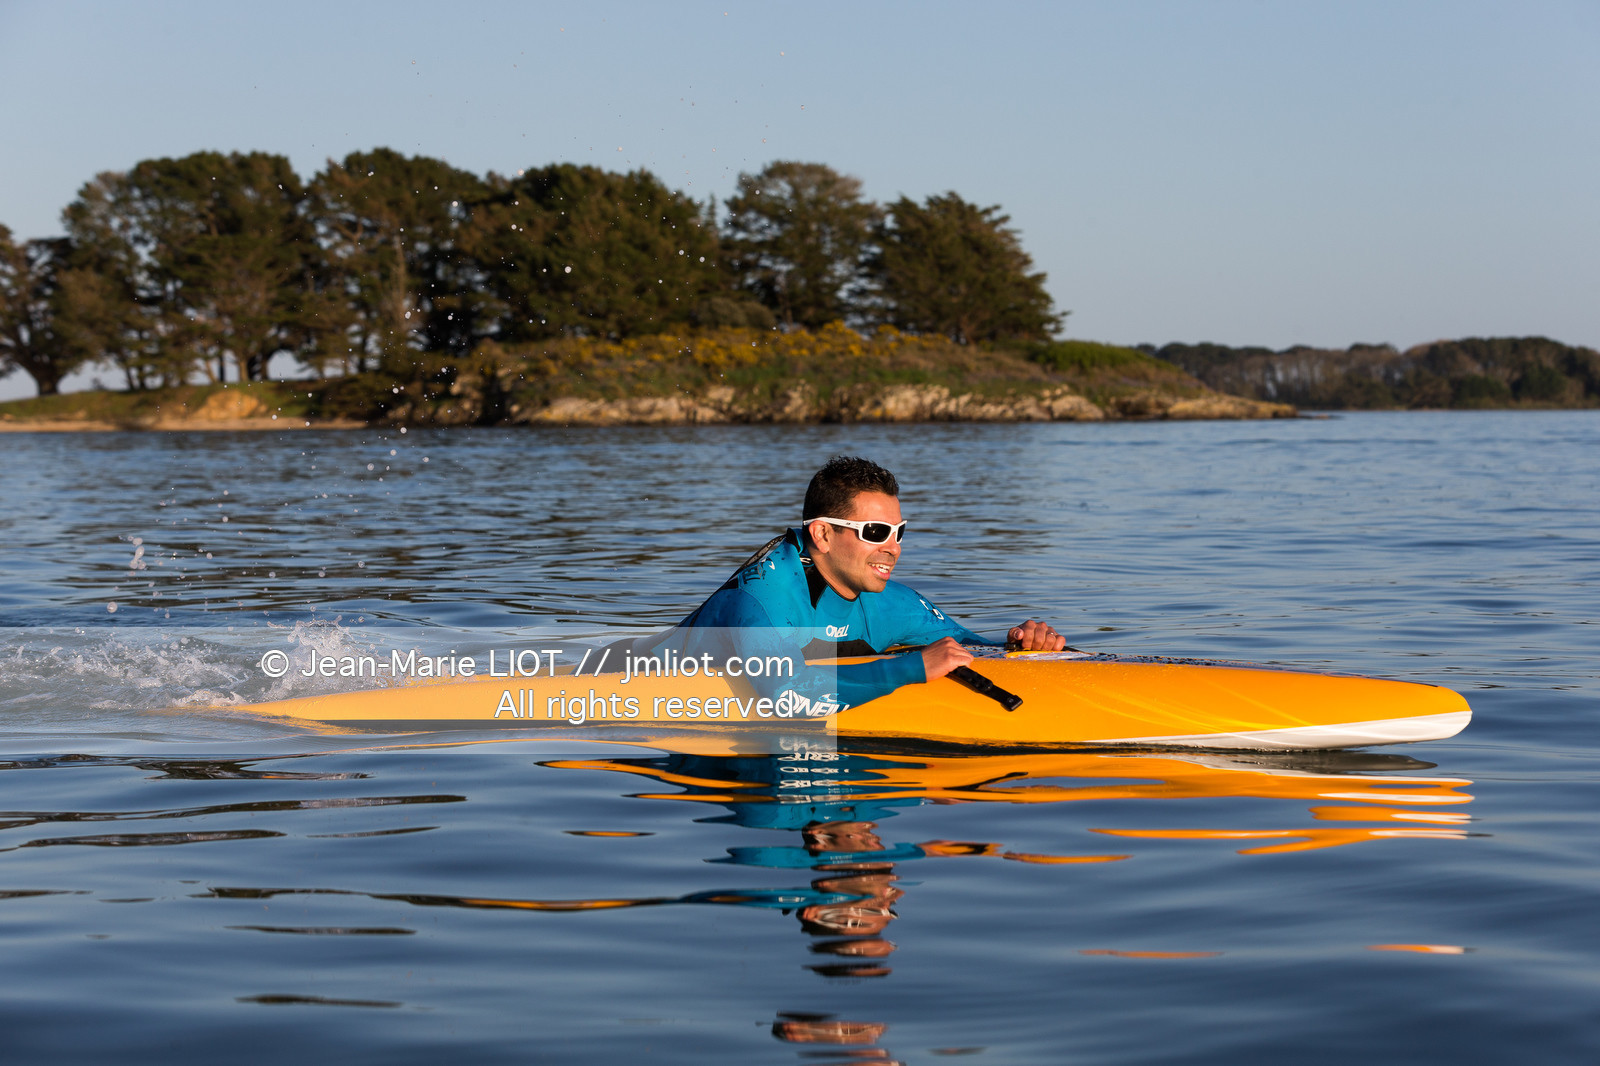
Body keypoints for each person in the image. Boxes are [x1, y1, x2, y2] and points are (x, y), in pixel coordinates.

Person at [640, 455, 1064, 716]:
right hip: (628, 689)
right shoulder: (762, 602)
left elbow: (965, 648)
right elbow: (787, 699)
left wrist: (1021, 645)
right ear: (822, 535)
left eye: (899, 531)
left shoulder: (894, 603)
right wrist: (911, 669)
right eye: (876, 532)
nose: (893, 548)